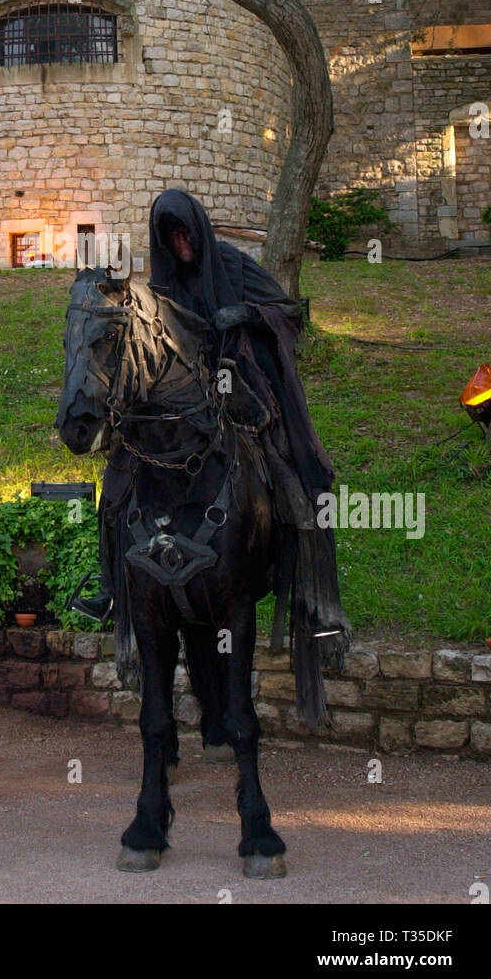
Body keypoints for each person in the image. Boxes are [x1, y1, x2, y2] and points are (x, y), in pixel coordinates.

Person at [71, 189, 350, 684]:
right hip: (180, 406)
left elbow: (290, 313)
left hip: (239, 382)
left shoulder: (232, 265)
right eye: (169, 236)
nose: (180, 244)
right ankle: (111, 588)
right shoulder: (160, 286)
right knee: (118, 479)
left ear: (197, 229)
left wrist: (246, 315)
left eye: (184, 232)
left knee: (300, 474)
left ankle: (319, 601)